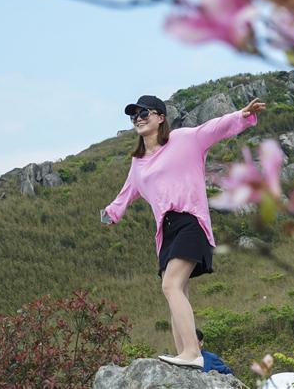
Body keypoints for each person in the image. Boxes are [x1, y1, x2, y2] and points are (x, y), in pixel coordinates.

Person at [101, 94, 266, 368]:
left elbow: (213, 128)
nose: (138, 119)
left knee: (171, 285)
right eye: (134, 115)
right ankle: (183, 356)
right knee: (177, 292)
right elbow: (125, 195)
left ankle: (192, 352)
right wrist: (109, 215)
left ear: (160, 117)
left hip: (190, 220)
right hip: (166, 232)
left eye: (145, 113)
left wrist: (242, 115)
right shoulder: (138, 162)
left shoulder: (183, 139)